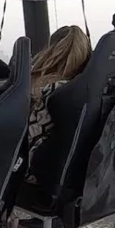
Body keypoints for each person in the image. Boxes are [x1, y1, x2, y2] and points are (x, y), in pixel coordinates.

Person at [27, 26, 92, 165]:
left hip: (37, 170)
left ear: (50, 49)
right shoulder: (95, 89)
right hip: (84, 168)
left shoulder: (41, 89)